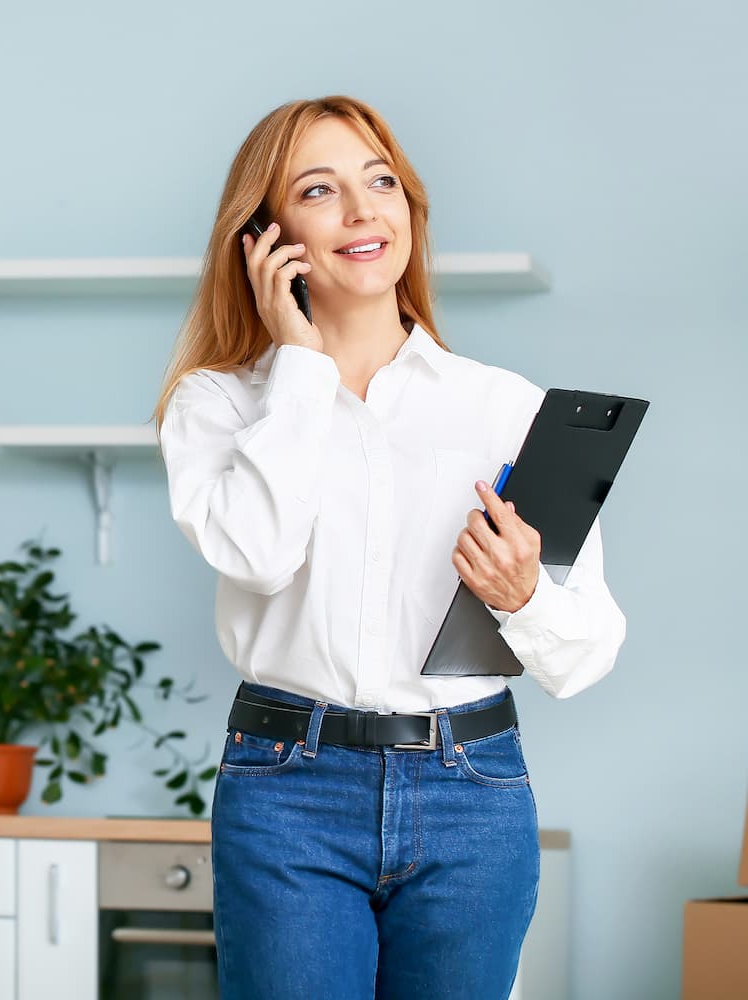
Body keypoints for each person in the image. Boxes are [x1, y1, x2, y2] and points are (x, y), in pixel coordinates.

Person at [153, 95, 625, 1000]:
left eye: (381, 182)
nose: (364, 211)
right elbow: (255, 554)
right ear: (264, 237)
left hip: (471, 790)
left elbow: (588, 653)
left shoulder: (506, 408)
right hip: (290, 790)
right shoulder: (215, 403)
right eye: (320, 190)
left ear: (409, 208)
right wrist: (299, 367)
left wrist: (524, 596)